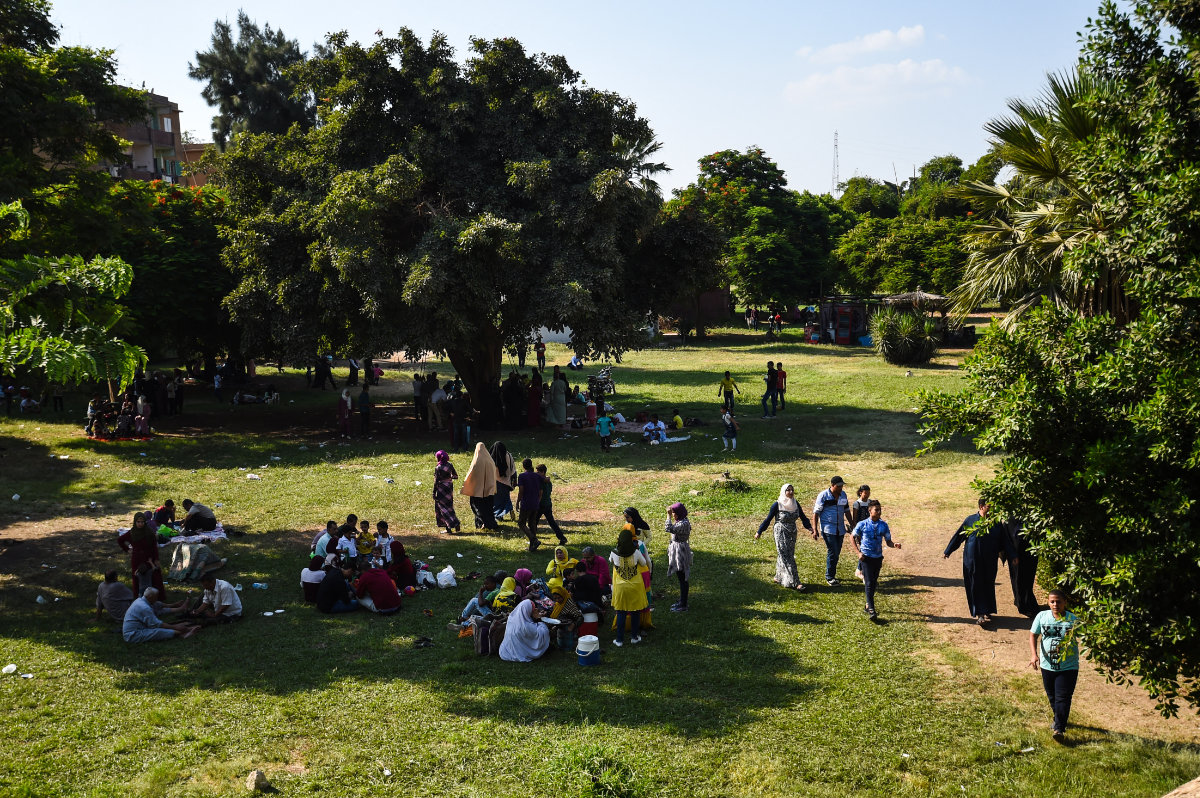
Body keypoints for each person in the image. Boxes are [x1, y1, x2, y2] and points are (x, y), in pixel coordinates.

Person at [944, 498, 1019, 627]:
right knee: (976, 585)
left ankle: (988, 609)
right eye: (989, 507)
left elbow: (1005, 541)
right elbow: (959, 536)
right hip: (972, 561)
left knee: (988, 584)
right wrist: (948, 550)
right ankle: (980, 614)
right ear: (981, 506)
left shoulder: (996, 523)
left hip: (990, 560)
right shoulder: (970, 520)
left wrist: (1013, 555)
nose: (992, 510)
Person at [1029, 589, 1080, 742]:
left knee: (1062, 697)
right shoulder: (1042, 616)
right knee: (1052, 696)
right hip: (1047, 665)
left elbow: (1086, 636)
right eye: (1052, 601)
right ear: (1048, 602)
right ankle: (1059, 718)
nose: (1055, 604)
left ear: (1065, 602)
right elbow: (1033, 635)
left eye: (1058, 601)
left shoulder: (1073, 620)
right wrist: (1034, 654)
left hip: (1068, 667)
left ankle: (1059, 729)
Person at [755, 483, 813, 591]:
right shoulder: (777, 505)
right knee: (787, 556)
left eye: (792, 490)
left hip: (792, 532)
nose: (791, 492)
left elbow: (803, 516)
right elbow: (768, 519)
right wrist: (759, 531)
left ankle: (778, 577)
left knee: (785, 554)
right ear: (784, 492)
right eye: (788, 490)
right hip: (780, 532)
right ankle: (796, 582)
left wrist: (809, 527)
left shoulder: (795, 503)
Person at [851, 499, 901, 620]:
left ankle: (867, 605)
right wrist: (858, 553)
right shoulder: (862, 524)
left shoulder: (883, 525)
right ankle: (872, 610)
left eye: (880, 510)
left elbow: (888, 541)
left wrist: (894, 545)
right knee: (868, 583)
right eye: (876, 510)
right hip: (866, 558)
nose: (879, 512)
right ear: (870, 511)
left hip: (878, 558)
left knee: (873, 582)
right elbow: (852, 537)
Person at [813, 476, 858, 586]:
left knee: (836, 552)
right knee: (833, 551)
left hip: (840, 529)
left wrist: (853, 525)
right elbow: (816, 513)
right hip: (828, 529)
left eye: (842, 486)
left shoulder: (843, 495)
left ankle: (831, 574)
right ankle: (830, 577)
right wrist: (815, 529)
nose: (841, 488)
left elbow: (846, 510)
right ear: (832, 485)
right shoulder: (823, 496)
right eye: (838, 486)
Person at [609, 529, 649, 646]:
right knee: (635, 612)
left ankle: (619, 640)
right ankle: (634, 637)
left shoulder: (614, 552)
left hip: (620, 587)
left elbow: (610, 561)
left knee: (621, 613)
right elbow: (643, 563)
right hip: (635, 586)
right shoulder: (636, 552)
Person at [118, 512, 166, 601]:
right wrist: (127, 549)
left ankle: (157, 598)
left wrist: (156, 559)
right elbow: (120, 540)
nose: (140, 524)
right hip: (137, 559)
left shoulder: (149, 532)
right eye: (138, 522)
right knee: (138, 578)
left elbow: (154, 547)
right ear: (135, 522)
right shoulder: (132, 533)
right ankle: (139, 599)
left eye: (142, 522)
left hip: (149, 558)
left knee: (154, 576)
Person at [122, 588, 199, 642]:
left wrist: (175, 606)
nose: (157, 599)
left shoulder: (142, 600)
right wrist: (175, 627)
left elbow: (159, 606)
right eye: (156, 597)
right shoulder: (144, 608)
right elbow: (156, 624)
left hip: (142, 627)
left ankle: (182, 628)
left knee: (164, 623)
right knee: (158, 631)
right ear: (150, 597)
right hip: (132, 635)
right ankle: (184, 633)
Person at [461, 442, 500, 530]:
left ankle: (482, 523)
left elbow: (471, 475)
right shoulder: (491, 461)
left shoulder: (476, 462)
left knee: (478, 507)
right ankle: (490, 523)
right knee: (488, 508)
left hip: (477, 491)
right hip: (489, 490)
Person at [1007, 518, 1041, 618]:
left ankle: (1022, 601)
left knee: (1029, 576)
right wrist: (1012, 554)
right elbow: (1010, 535)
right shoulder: (1011, 517)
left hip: (1030, 550)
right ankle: (1023, 605)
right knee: (1019, 577)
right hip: (1017, 551)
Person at [665, 502, 693, 612]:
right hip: (678, 549)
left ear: (679, 513)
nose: (673, 515)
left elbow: (668, 528)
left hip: (680, 551)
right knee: (680, 577)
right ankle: (682, 600)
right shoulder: (682, 520)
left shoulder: (683, 524)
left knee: (682, 578)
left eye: (674, 513)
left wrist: (668, 516)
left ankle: (683, 604)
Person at [513, 457, 543, 551]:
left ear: (523, 466)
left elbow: (521, 490)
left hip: (526, 503)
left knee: (521, 523)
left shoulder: (522, 476)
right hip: (535, 502)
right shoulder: (537, 476)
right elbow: (541, 489)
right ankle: (532, 546)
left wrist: (518, 501)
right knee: (532, 523)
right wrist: (538, 500)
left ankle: (534, 540)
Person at [535, 464, 568, 545]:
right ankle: (562, 538)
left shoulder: (541, 482)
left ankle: (533, 539)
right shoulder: (549, 482)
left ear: (543, 472)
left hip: (541, 505)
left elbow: (540, 494)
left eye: (538, 472)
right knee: (552, 522)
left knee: (534, 522)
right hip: (548, 504)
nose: (537, 473)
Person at [433, 450, 462, 534]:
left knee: (442, 508)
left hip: (441, 489)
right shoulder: (450, 465)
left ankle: (449, 527)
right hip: (449, 488)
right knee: (449, 507)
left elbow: (436, 481)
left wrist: (434, 492)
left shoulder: (438, 468)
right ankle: (455, 523)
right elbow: (455, 476)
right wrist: (449, 477)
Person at [491, 442, 517, 521]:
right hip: (507, 481)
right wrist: (514, 479)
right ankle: (510, 509)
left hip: (496, 482)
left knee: (497, 501)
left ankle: (499, 516)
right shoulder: (508, 455)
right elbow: (513, 468)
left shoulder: (493, 457)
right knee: (506, 498)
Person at [851, 485, 872, 582]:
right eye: (865, 493)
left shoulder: (870, 502)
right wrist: (857, 532)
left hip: (869, 530)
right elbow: (855, 519)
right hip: (861, 530)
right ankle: (860, 570)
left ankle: (860, 569)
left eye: (868, 493)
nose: (867, 495)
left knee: (866, 549)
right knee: (863, 550)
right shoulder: (857, 504)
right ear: (860, 493)